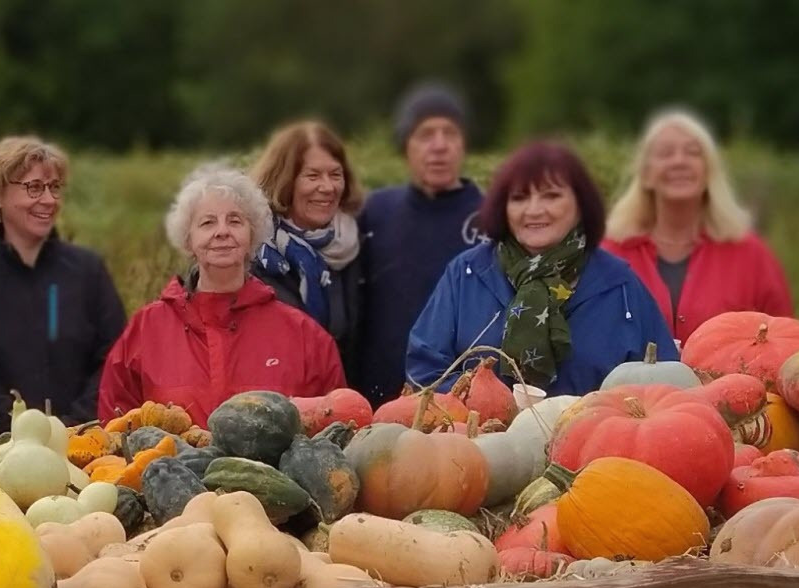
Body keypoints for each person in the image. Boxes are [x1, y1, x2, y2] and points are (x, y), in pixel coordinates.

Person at [405, 142, 676, 396]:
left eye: (551, 196)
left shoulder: (619, 284)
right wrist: (486, 407)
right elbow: (424, 372)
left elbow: (663, 385)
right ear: (504, 207)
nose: (534, 210)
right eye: (520, 198)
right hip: (479, 441)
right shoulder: (466, 274)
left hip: (594, 442)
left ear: (581, 205)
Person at [98, 165, 346, 427]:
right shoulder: (145, 331)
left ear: (252, 235)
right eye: (207, 223)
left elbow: (335, 428)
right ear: (188, 239)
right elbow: (114, 429)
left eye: (235, 221)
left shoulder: (305, 337)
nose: (222, 231)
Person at [0, 137, 126, 431]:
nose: (48, 200)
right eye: (34, 187)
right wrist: (22, 429)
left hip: (86, 442)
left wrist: (76, 423)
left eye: (54, 187)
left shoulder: (88, 272)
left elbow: (114, 356)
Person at [603, 109, 793, 341]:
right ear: (645, 174)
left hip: (731, 378)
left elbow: (784, 340)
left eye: (693, 152)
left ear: (709, 172)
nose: (679, 161)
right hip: (627, 379)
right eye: (665, 153)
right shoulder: (609, 254)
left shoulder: (752, 255)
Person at [356, 83, 488, 406]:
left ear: (463, 144)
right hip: (375, 404)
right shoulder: (375, 212)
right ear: (406, 146)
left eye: (450, 133)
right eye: (426, 134)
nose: (439, 146)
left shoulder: (491, 218)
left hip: (458, 406)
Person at [249, 120, 363, 381]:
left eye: (335, 174)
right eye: (312, 176)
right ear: (284, 180)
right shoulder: (252, 253)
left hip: (337, 406)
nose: (327, 187)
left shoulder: (353, 247)